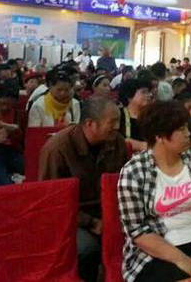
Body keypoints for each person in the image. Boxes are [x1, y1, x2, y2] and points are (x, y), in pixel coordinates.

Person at [118, 100, 191, 282]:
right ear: (160, 137)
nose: (188, 134)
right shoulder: (134, 172)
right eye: (181, 129)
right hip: (157, 250)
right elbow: (137, 231)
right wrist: (181, 260)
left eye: (186, 127)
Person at [39, 97, 127, 282]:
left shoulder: (116, 142)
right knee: (87, 249)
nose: (117, 127)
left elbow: (125, 184)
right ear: (90, 123)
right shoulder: (58, 148)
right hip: (73, 217)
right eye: (112, 122)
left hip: (109, 212)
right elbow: (51, 202)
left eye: (118, 121)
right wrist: (91, 222)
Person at [119, 79, 153, 152]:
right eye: (144, 92)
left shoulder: (153, 115)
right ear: (129, 96)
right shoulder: (119, 115)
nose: (149, 95)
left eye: (148, 92)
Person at [0, 89, 22, 185]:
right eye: (2, 104)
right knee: (3, 180)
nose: (5, 107)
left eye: (8, 105)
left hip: (11, 149)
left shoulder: (15, 113)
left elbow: (19, 131)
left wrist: (3, 125)